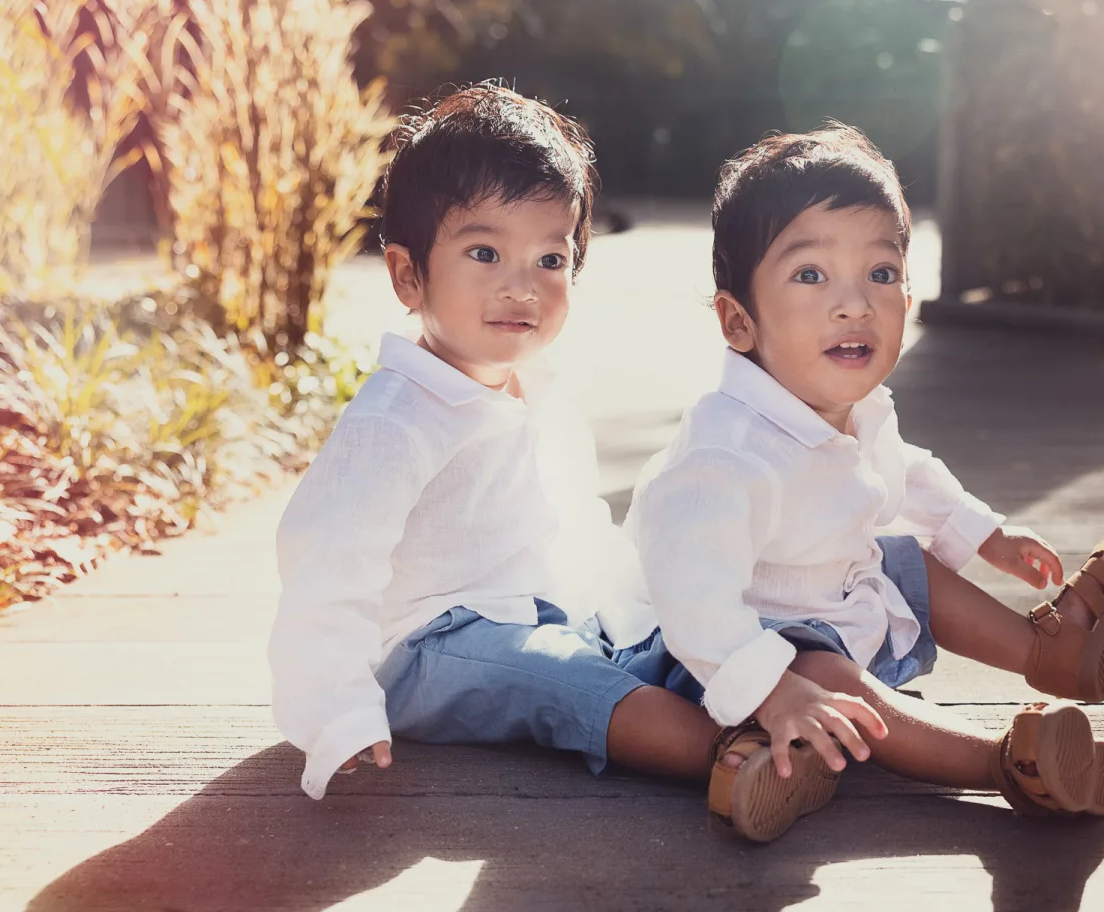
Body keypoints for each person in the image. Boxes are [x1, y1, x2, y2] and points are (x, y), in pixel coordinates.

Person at [622, 124, 1104, 841]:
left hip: (836, 602)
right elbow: (689, 591)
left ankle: (1049, 653)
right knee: (827, 673)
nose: (855, 303)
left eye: (882, 273)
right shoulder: (724, 453)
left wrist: (986, 533)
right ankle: (1004, 764)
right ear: (738, 321)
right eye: (811, 275)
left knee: (905, 556)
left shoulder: (855, 406)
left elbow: (907, 471)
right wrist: (770, 688)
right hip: (729, 652)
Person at [269, 83, 775, 802]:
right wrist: (338, 707)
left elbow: (571, 525)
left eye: (550, 259)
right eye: (485, 252)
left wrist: (631, 610)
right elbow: (326, 561)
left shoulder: (534, 387)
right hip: (424, 648)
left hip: (533, 617)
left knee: (657, 641)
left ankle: (770, 712)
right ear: (408, 276)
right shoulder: (397, 416)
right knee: (567, 682)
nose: (522, 287)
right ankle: (741, 761)